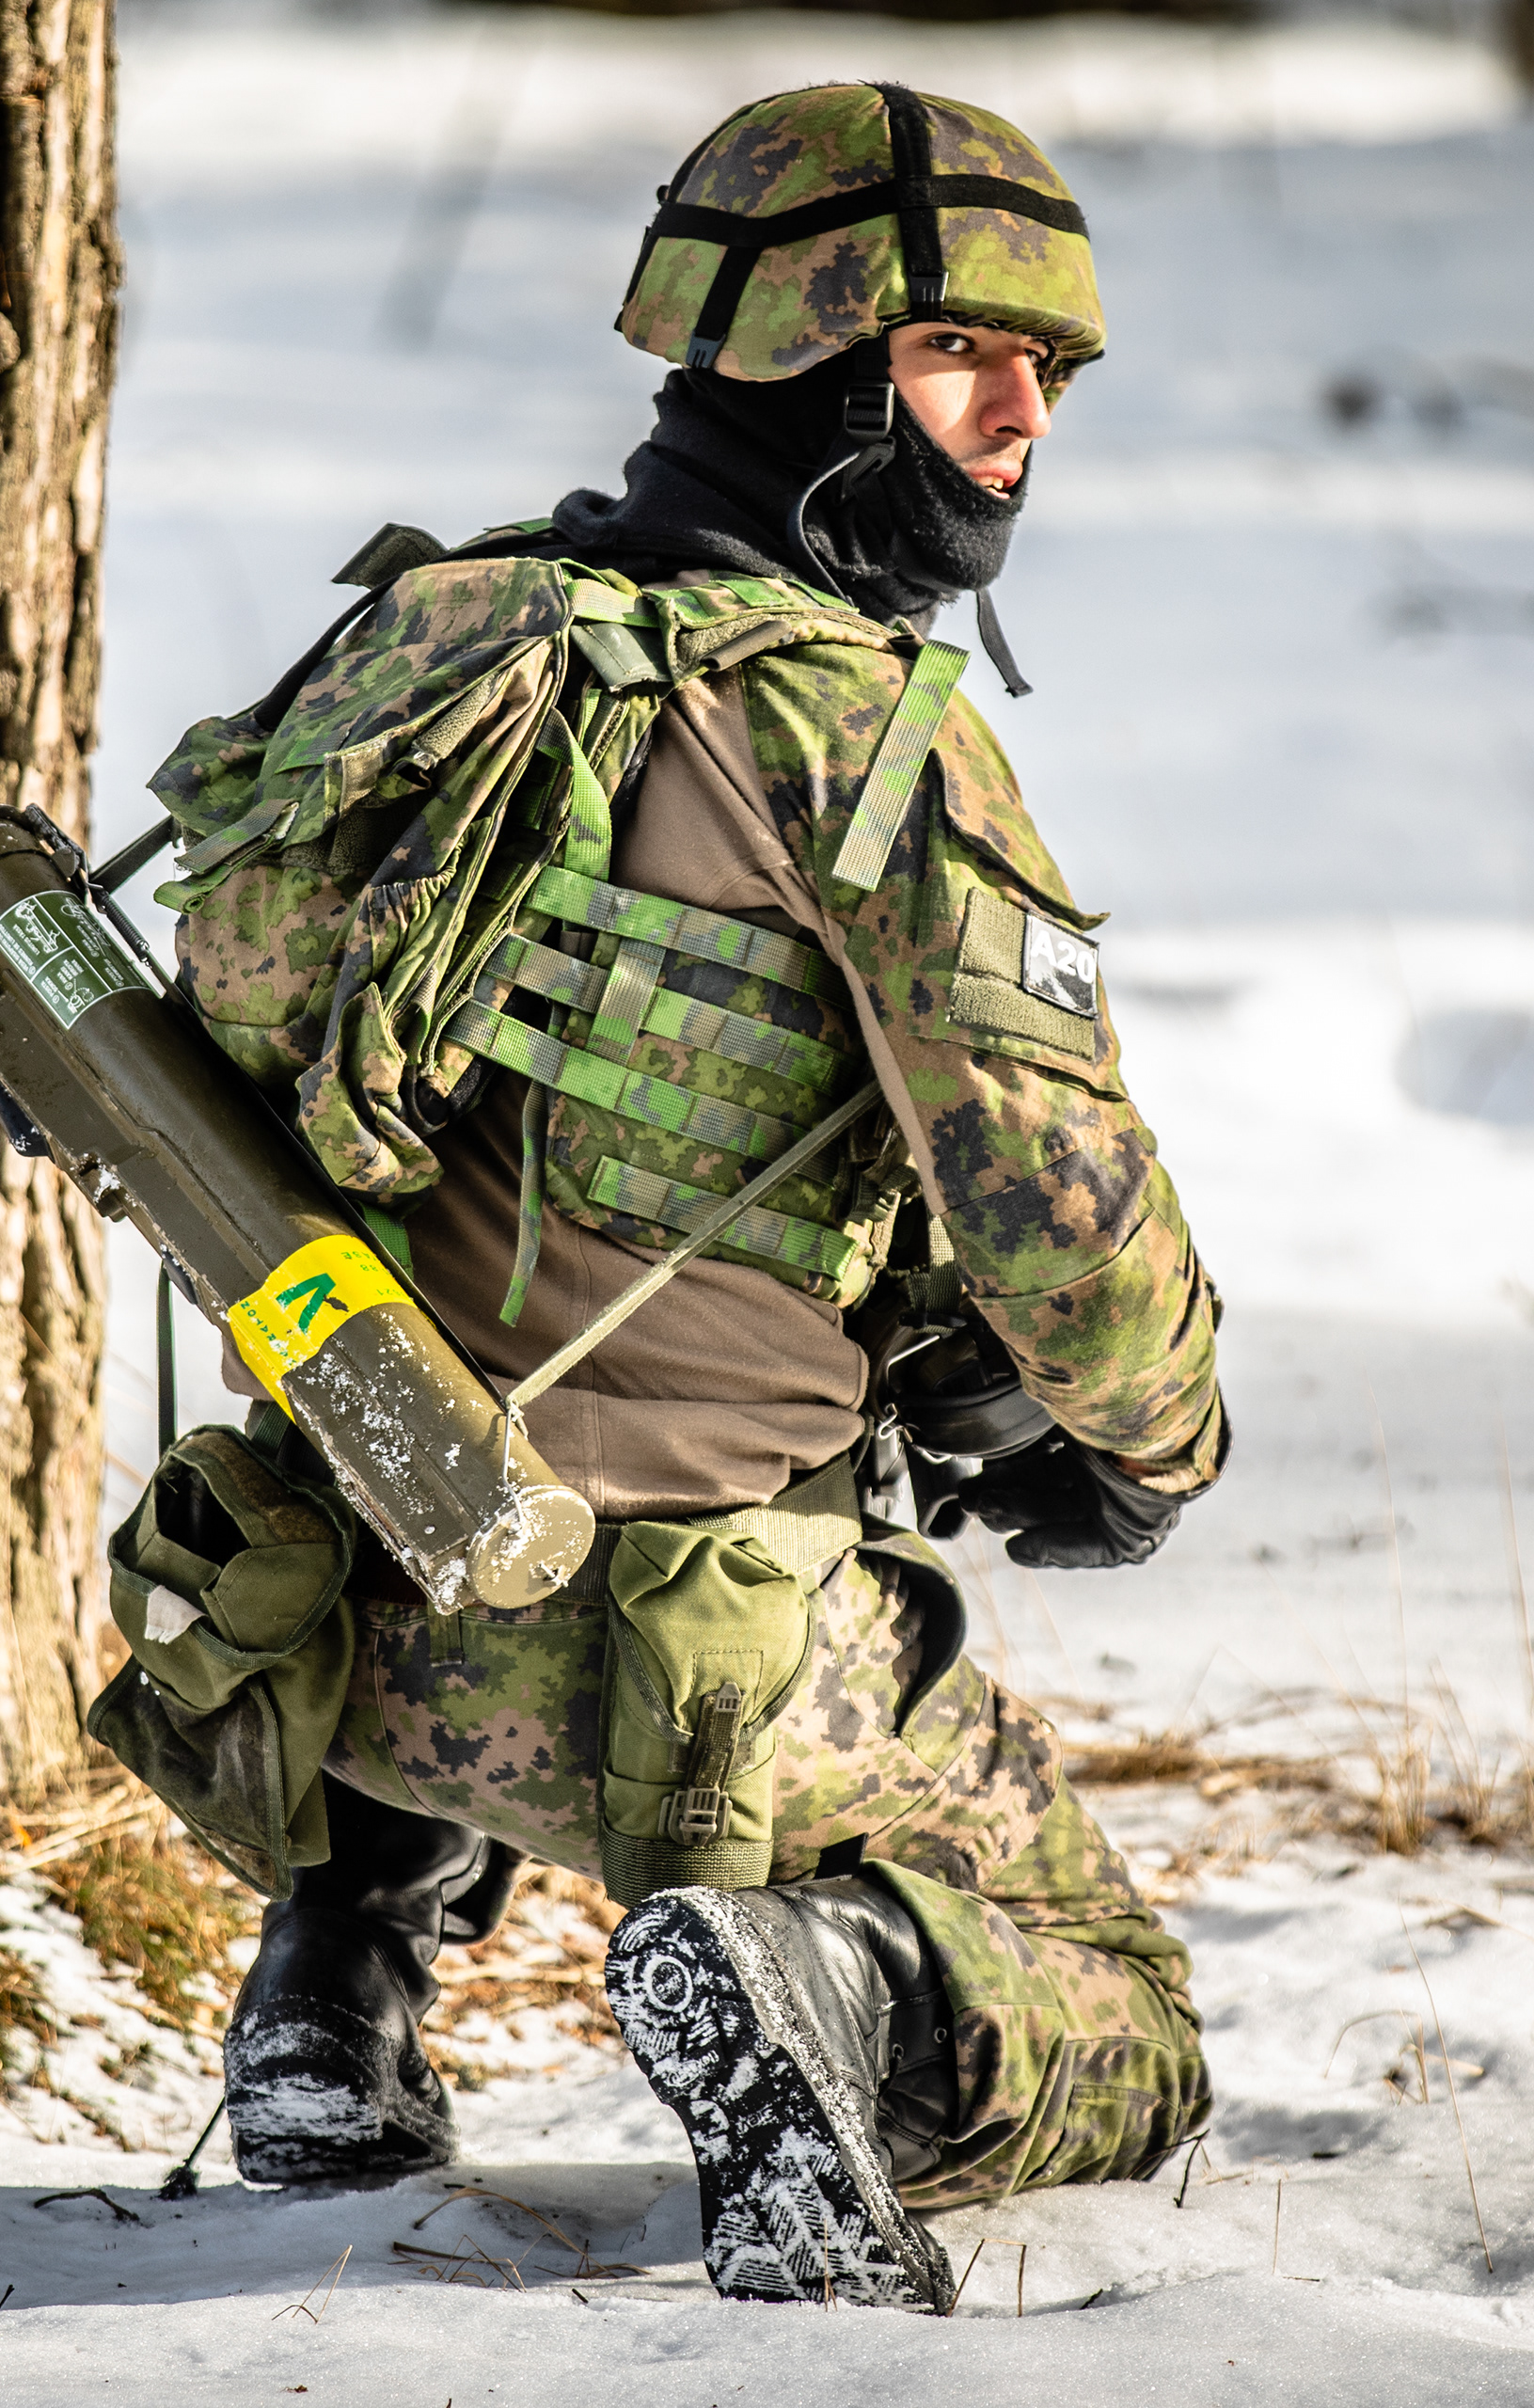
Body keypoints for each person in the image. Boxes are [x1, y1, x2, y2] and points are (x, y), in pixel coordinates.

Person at [115, 83, 1226, 2310]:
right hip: (688, 1674)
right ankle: (818, 1974)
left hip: (352, 1632)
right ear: (800, 356)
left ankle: (338, 1983)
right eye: (956, 353)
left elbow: (238, 1058)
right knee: (1131, 2020)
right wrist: (1151, 1442)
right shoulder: (863, 732)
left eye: (1046, 370)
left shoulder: (421, 635)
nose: (1020, 418)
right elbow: (1071, 1222)